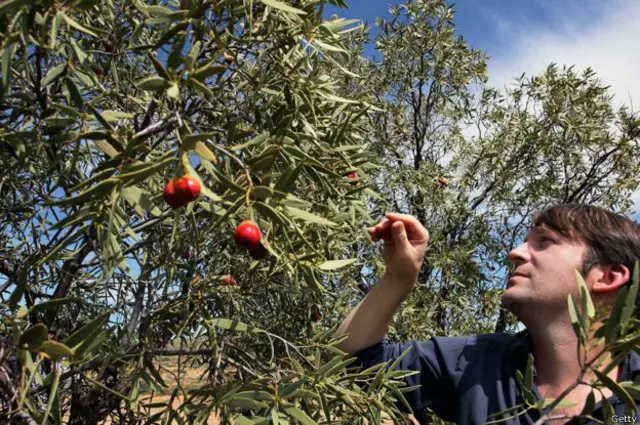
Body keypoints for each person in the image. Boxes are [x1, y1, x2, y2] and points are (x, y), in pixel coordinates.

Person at [335, 204, 640, 425]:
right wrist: (397, 279)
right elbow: (350, 363)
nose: (516, 252)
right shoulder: (475, 361)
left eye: (544, 242)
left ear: (608, 277)